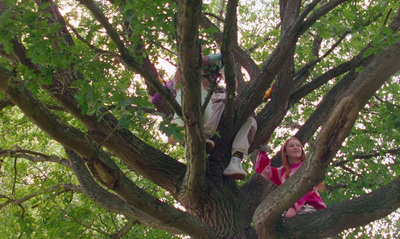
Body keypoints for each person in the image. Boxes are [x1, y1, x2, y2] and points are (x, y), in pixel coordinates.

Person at [153, 52, 257, 180]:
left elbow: (230, 57)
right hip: (208, 122)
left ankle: (236, 160)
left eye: (203, 74)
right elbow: (158, 97)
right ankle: (203, 135)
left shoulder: (218, 88)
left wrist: (210, 62)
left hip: (225, 123)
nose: (201, 78)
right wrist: (159, 87)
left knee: (251, 120)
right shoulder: (190, 88)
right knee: (220, 100)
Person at [256, 137, 326, 217]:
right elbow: (263, 169)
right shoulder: (283, 172)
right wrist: (263, 149)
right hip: (288, 209)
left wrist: (294, 208)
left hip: (311, 205)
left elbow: (305, 188)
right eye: (292, 146)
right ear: (285, 152)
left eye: (298, 146)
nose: (296, 147)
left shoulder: (309, 167)